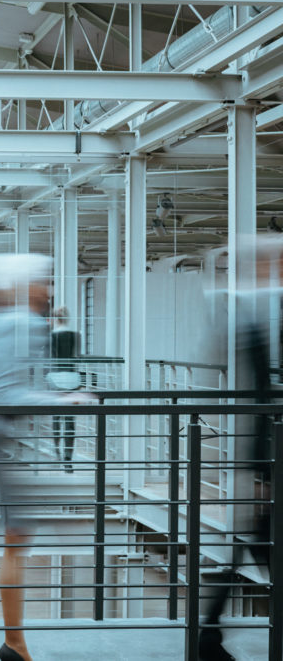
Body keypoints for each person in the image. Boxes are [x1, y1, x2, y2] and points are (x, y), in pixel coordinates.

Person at [0, 254, 93, 661]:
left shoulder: (15, 323)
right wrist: (63, 398)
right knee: (16, 542)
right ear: (26, 287)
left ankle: (15, 643)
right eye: (44, 282)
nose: (49, 289)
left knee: (18, 542)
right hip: (9, 442)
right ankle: (14, 644)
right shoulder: (22, 325)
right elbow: (4, 394)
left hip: (8, 441)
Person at [198, 236, 279, 661]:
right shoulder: (248, 314)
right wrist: (263, 468)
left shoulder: (252, 312)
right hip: (261, 456)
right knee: (257, 548)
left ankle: (208, 634)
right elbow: (260, 397)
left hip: (259, 456)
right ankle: (208, 633)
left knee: (248, 547)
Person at [47, 306, 81, 471]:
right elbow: (77, 357)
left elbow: (49, 360)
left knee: (56, 418)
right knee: (69, 420)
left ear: (55, 319)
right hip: (72, 380)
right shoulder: (76, 336)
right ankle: (68, 459)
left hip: (55, 381)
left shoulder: (51, 337)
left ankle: (57, 454)